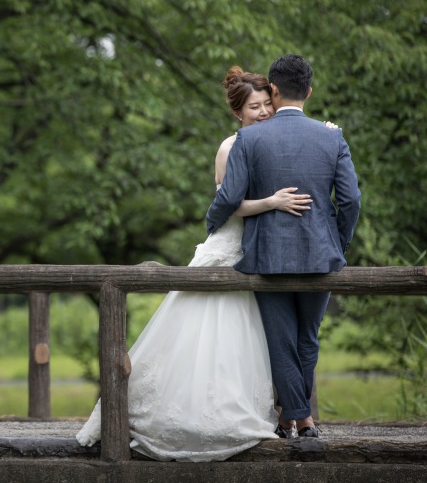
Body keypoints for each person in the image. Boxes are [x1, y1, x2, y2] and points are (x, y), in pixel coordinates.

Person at [76, 66, 315, 462]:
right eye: (254, 107)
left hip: (258, 253)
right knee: (205, 332)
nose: (263, 112)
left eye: (266, 104)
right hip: (228, 248)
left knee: (248, 339)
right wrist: (271, 202)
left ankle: (256, 413)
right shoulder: (231, 146)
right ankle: (186, 416)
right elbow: (228, 206)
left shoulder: (265, 140)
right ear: (238, 113)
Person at [206, 54, 361, 439]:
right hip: (320, 255)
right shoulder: (332, 136)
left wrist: (212, 223)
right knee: (307, 338)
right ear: (309, 91)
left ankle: (295, 418)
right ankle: (301, 421)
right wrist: (336, 241)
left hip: (267, 256)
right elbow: (351, 200)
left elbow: (228, 197)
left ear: (273, 91)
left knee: (281, 341)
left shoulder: (249, 138)